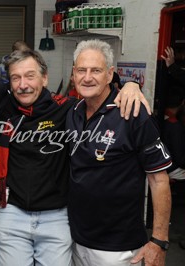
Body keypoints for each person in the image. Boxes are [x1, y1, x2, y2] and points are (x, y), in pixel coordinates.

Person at [0, 48, 151, 266]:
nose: (23, 84)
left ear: (45, 78)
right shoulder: (3, 109)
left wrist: (131, 85)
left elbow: (99, 94)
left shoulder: (68, 110)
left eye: (30, 76)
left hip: (56, 217)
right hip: (12, 213)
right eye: (15, 78)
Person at [66, 39, 172, 266]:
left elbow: (159, 179)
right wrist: (131, 83)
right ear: (73, 74)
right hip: (75, 240)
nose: (87, 77)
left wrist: (159, 241)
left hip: (119, 248)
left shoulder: (133, 112)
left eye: (96, 70)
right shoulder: (72, 111)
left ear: (109, 74)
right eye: (81, 70)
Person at [162, 92, 185, 180]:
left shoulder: (163, 119)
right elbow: (180, 158)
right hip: (173, 170)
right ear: (182, 102)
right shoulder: (174, 125)